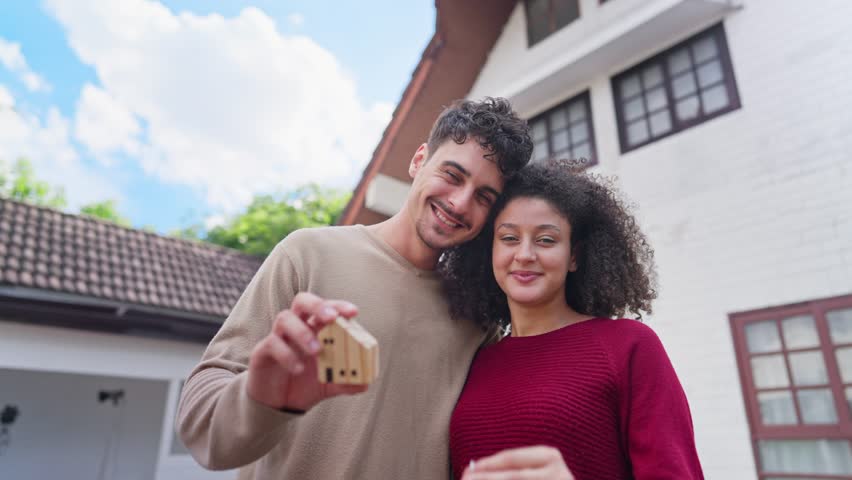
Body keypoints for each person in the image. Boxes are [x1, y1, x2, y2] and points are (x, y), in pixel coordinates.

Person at [176, 97, 533, 479]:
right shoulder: (308, 254)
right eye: (452, 175)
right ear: (418, 161)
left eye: (483, 196)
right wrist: (263, 397)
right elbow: (202, 427)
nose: (460, 203)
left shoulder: (477, 319)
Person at [439, 161, 704, 480]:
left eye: (546, 240)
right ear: (491, 251)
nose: (524, 254)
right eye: (509, 238)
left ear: (574, 256)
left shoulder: (628, 346)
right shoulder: (477, 358)